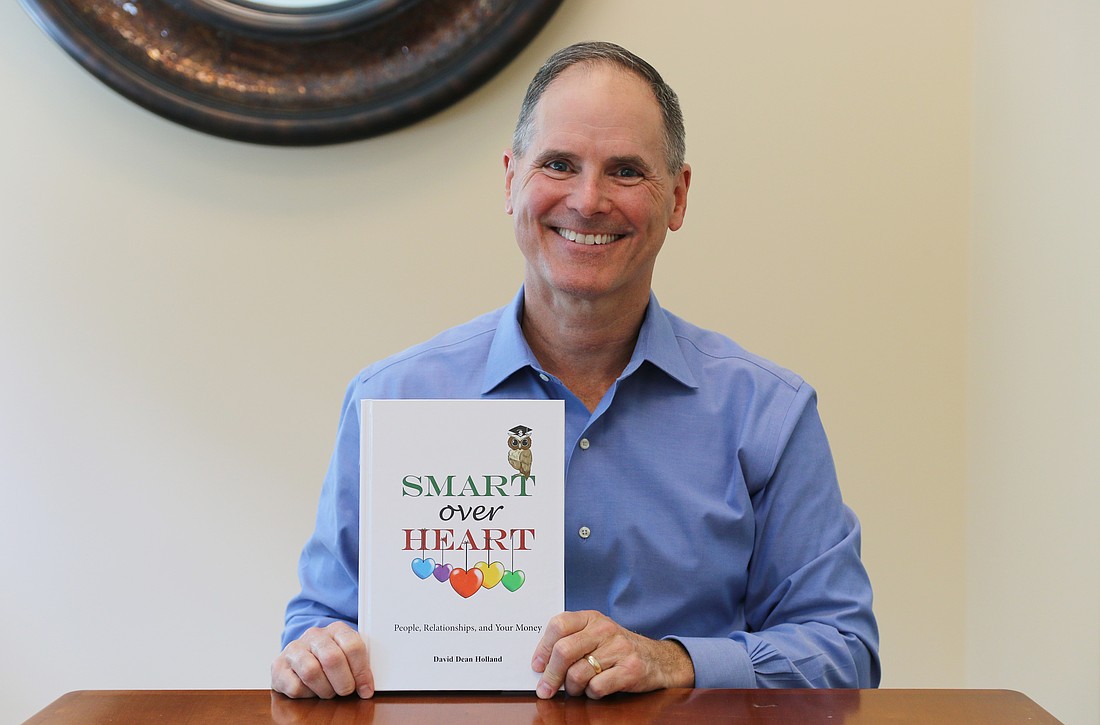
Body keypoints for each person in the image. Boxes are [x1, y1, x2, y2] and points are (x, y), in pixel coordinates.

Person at [271, 41, 880, 701]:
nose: (589, 200)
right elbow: (317, 624)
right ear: (511, 181)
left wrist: (675, 661)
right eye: (559, 164)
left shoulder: (769, 412)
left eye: (625, 171)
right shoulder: (391, 400)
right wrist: (315, 656)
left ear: (677, 198)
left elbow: (844, 650)